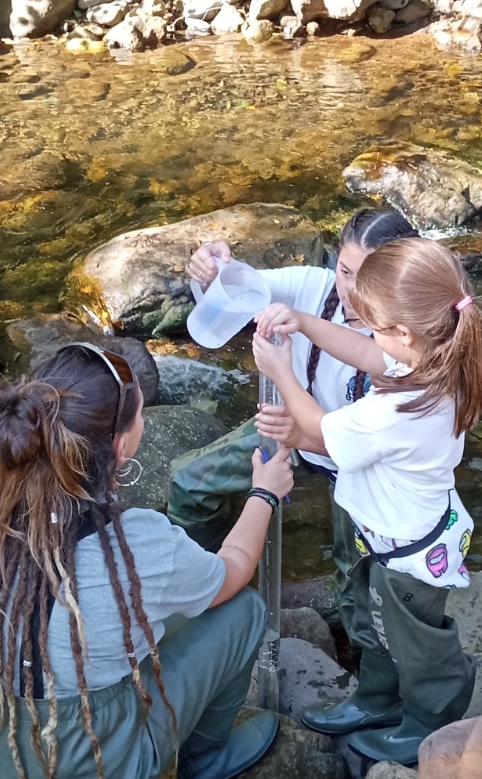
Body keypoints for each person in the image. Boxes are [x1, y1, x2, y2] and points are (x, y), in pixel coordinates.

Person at [0, 342, 293, 779]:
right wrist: (264, 493)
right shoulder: (136, 546)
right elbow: (234, 568)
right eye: (140, 417)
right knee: (243, 612)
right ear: (120, 446)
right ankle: (206, 762)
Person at [250, 238, 482, 764]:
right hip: (384, 534)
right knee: (374, 621)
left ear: (404, 332)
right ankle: (378, 698)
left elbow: (318, 427)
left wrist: (282, 372)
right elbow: (364, 352)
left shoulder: (402, 407)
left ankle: (428, 723)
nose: (367, 333)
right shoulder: (430, 359)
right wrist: (304, 322)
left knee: (416, 642)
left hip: (410, 553)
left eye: (374, 325)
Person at [169, 208, 419, 634]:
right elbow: (242, 287)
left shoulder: (409, 341)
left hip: (360, 461)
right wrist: (213, 272)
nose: (351, 290)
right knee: (188, 483)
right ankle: (212, 588)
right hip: (292, 426)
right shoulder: (314, 287)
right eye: (345, 271)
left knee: (355, 576)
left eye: (367, 278)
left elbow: (360, 446)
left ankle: (358, 655)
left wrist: (297, 420)